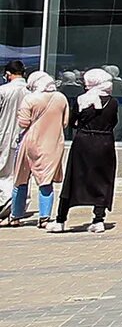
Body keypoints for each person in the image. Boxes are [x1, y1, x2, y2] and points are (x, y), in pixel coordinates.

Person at [56, 68, 119, 232]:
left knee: (74, 177)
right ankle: (99, 219)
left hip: (83, 141)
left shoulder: (82, 100)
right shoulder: (112, 102)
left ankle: (60, 219)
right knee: (102, 179)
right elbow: (114, 121)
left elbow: (73, 121)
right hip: (105, 142)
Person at [11, 72, 65, 227]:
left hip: (30, 142)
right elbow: (65, 121)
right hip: (53, 144)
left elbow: (23, 123)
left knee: (21, 178)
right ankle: (45, 217)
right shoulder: (61, 98)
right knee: (46, 181)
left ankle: (16, 216)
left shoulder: (30, 99)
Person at [0, 61, 28, 216]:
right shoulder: (30, 91)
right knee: (20, 173)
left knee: (3, 172)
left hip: (3, 134)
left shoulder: (3, 90)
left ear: (8, 74)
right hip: (23, 136)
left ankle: (5, 205)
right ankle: (18, 206)